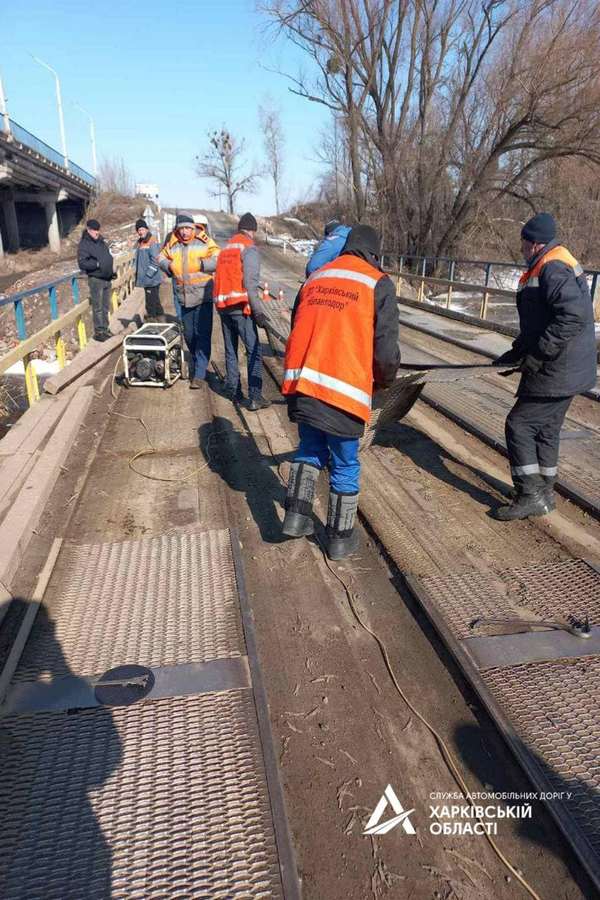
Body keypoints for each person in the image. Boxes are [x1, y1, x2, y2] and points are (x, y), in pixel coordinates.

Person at [281, 224, 400, 559]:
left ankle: (296, 516)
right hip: (344, 391)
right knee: (345, 462)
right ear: (375, 254)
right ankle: (339, 537)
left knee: (309, 447)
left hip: (304, 384)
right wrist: (384, 382)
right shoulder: (378, 283)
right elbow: (386, 353)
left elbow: (298, 326)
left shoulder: (315, 278)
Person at [492, 212, 597, 520]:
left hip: (558, 368)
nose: (521, 249)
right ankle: (544, 491)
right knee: (546, 430)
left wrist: (539, 354)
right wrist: (516, 352)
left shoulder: (552, 267)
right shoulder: (551, 262)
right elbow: (541, 320)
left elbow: (572, 317)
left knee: (520, 425)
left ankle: (530, 494)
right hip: (569, 367)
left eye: (524, 244)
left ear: (535, 244)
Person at [213, 212, 271, 410]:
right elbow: (250, 283)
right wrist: (259, 312)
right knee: (253, 351)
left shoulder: (226, 249)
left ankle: (235, 391)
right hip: (240, 307)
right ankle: (255, 396)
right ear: (252, 231)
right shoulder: (249, 248)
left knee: (231, 350)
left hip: (223, 308)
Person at [159, 212, 220, 389]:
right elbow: (160, 257)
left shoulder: (204, 240)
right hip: (184, 298)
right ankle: (197, 360)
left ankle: (199, 373)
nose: (185, 232)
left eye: (188, 228)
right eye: (182, 228)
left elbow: (219, 258)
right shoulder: (173, 242)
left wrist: (203, 265)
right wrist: (168, 266)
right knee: (189, 335)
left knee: (202, 335)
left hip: (203, 297)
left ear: (193, 228)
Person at [77, 218, 116, 342]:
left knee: (105, 306)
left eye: (98, 230)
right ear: (88, 230)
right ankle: (99, 332)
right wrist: (97, 264)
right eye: (94, 230)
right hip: (96, 279)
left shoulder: (100, 241)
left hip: (106, 278)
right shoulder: (84, 244)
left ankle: (105, 328)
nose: (97, 232)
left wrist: (111, 270)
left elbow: (107, 256)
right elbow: (82, 263)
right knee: (97, 307)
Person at [133, 218, 165, 320]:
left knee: (150, 304)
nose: (140, 232)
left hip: (151, 279)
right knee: (155, 301)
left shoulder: (152, 241)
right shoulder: (140, 242)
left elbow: (155, 260)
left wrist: (148, 275)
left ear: (146, 229)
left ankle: (152, 324)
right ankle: (161, 322)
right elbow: (138, 260)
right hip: (146, 279)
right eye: (138, 230)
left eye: (142, 229)